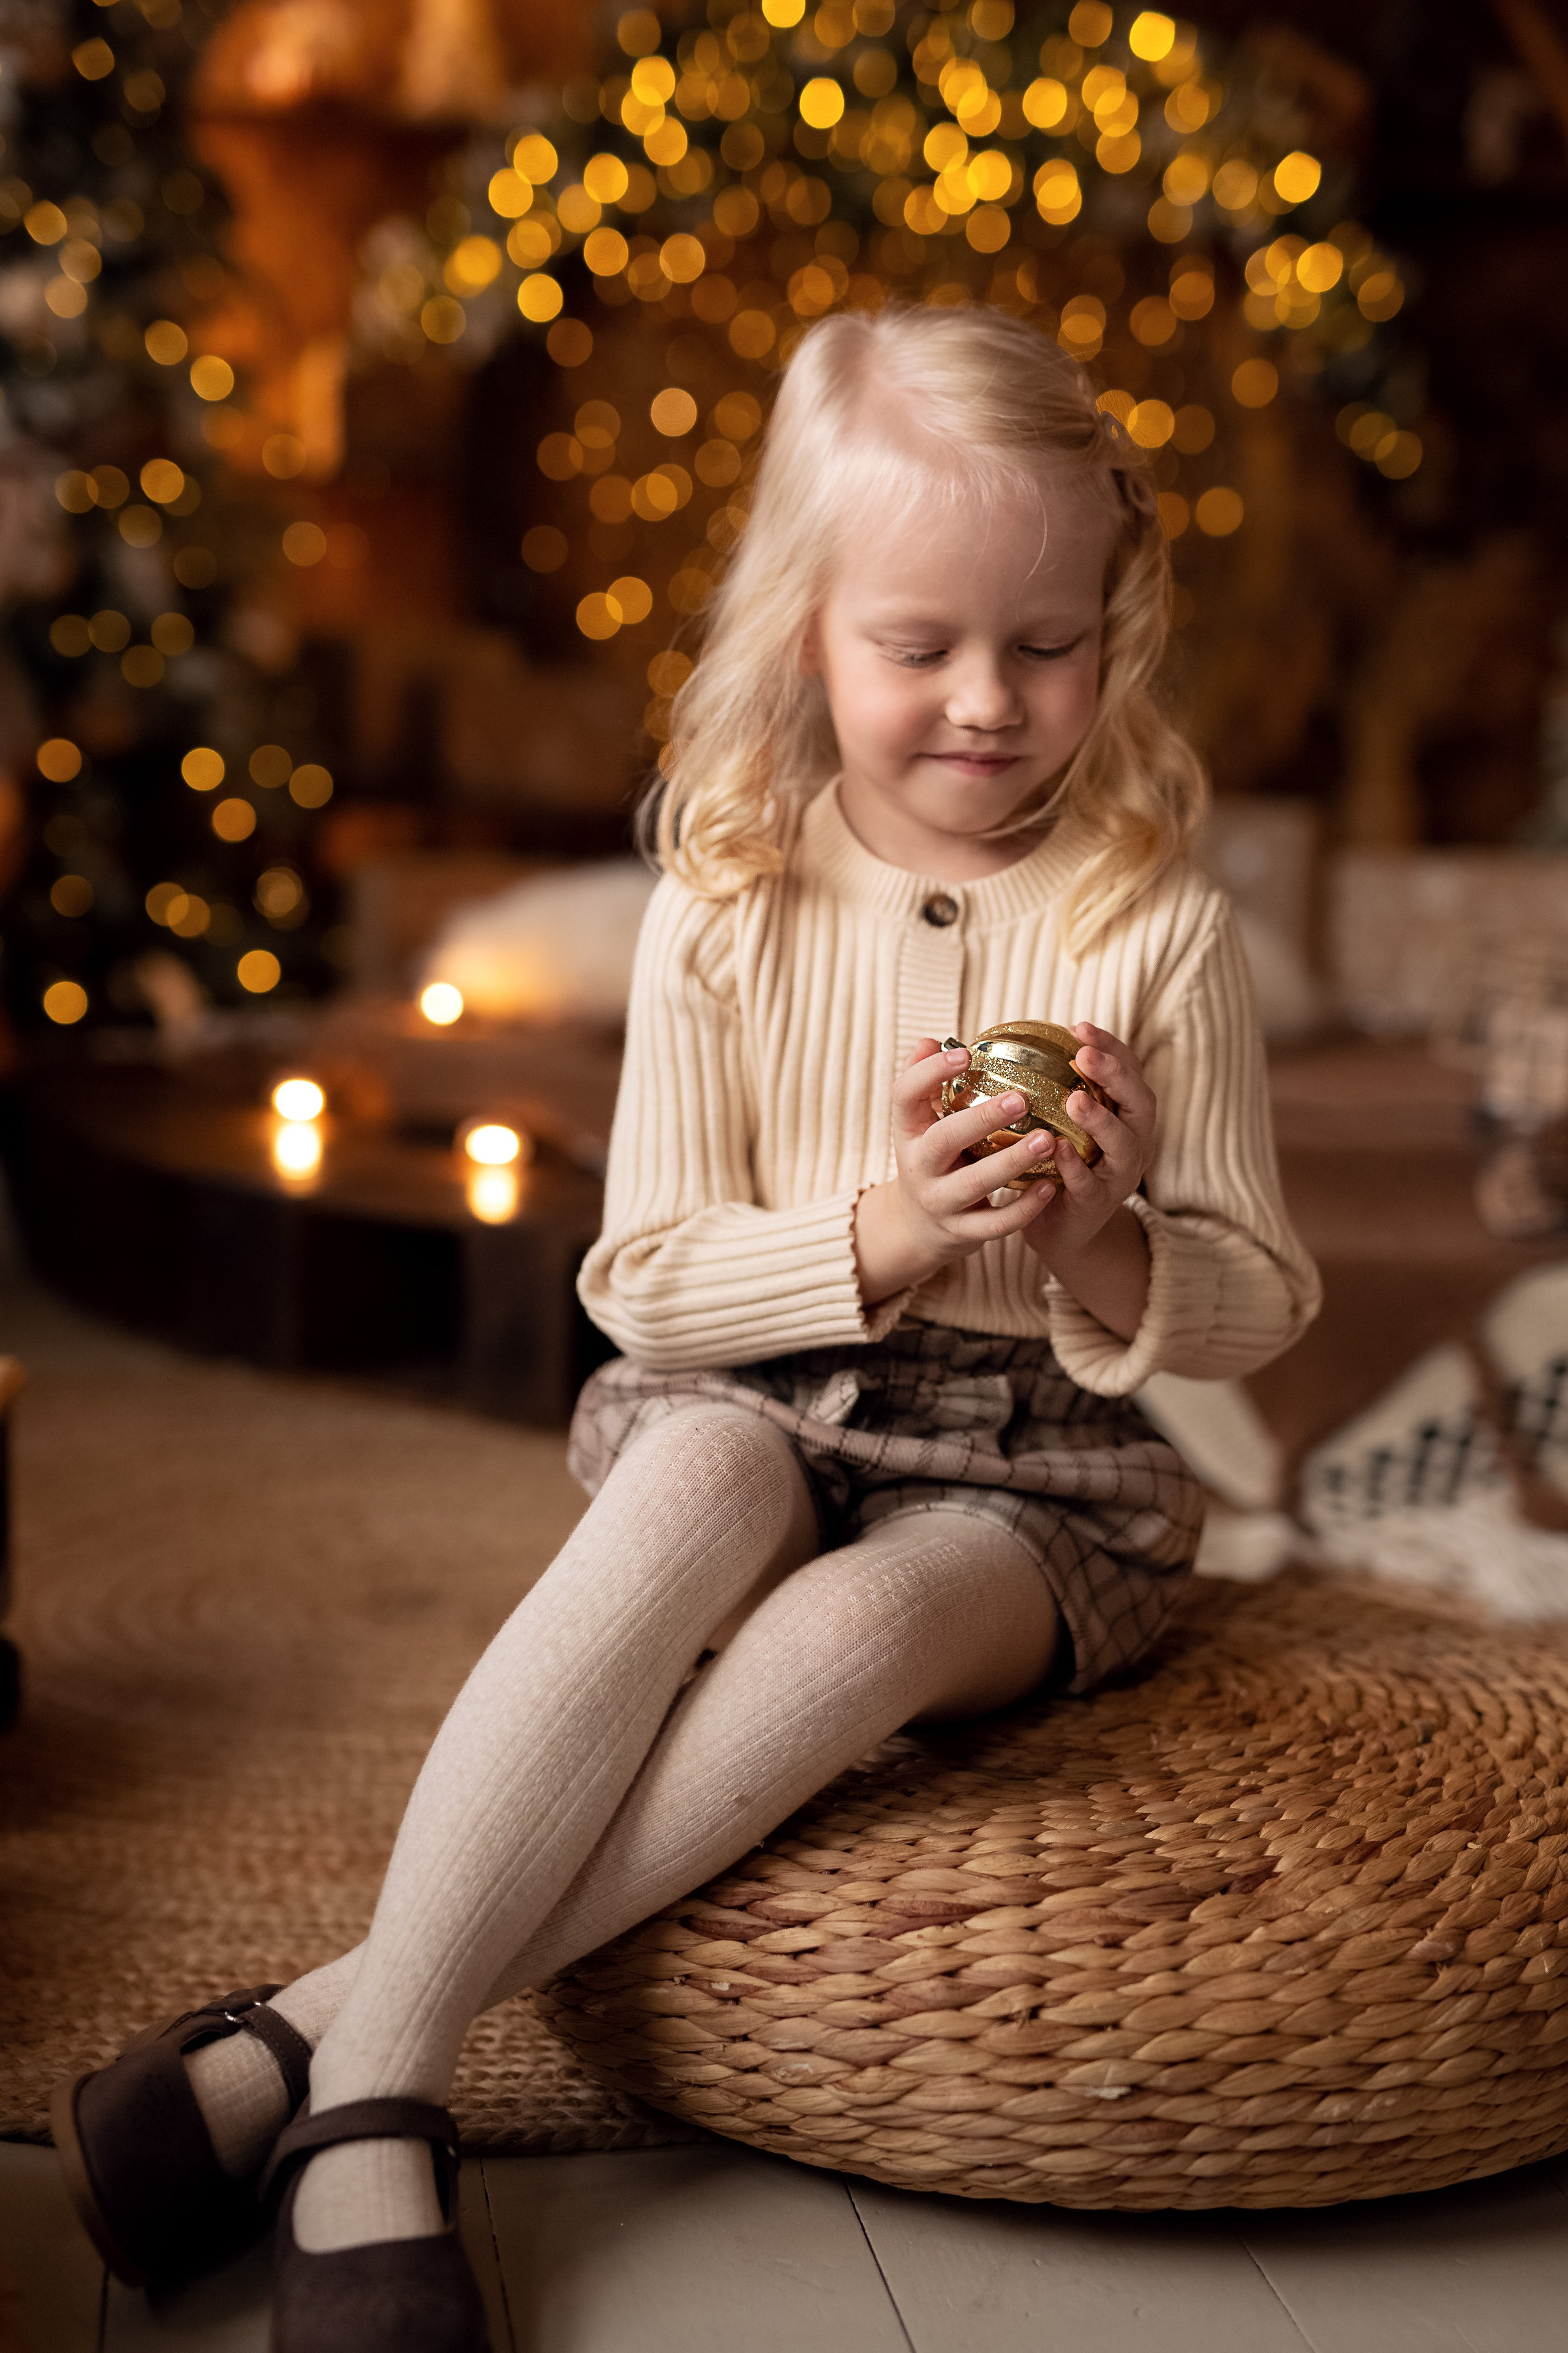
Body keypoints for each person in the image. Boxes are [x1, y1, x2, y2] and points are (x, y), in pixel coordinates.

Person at [53, 306, 1320, 2349]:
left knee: (856, 1629)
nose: (988, 701)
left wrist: (1102, 1247)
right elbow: (637, 1276)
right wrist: (887, 1227)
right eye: (918, 645)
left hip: (1032, 1474)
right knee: (685, 1499)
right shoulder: (727, 900)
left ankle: (317, 2047)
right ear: (807, 628)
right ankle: (379, 2103)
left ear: (1118, 622)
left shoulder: (1158, 925)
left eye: (1048, 642)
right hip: (749, 1385)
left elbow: (1260, 1301)